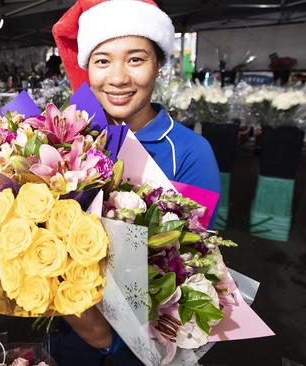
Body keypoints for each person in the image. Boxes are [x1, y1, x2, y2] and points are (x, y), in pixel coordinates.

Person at [51, 0, 221, 365]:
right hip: (67, 332)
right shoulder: (67, 141)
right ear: (87, 68)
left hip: (139, 346)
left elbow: (190, 267)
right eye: (102, 60)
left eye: (135, 59)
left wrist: (105, 338)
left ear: (158, 66)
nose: (117, 77)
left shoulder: (191, 153)